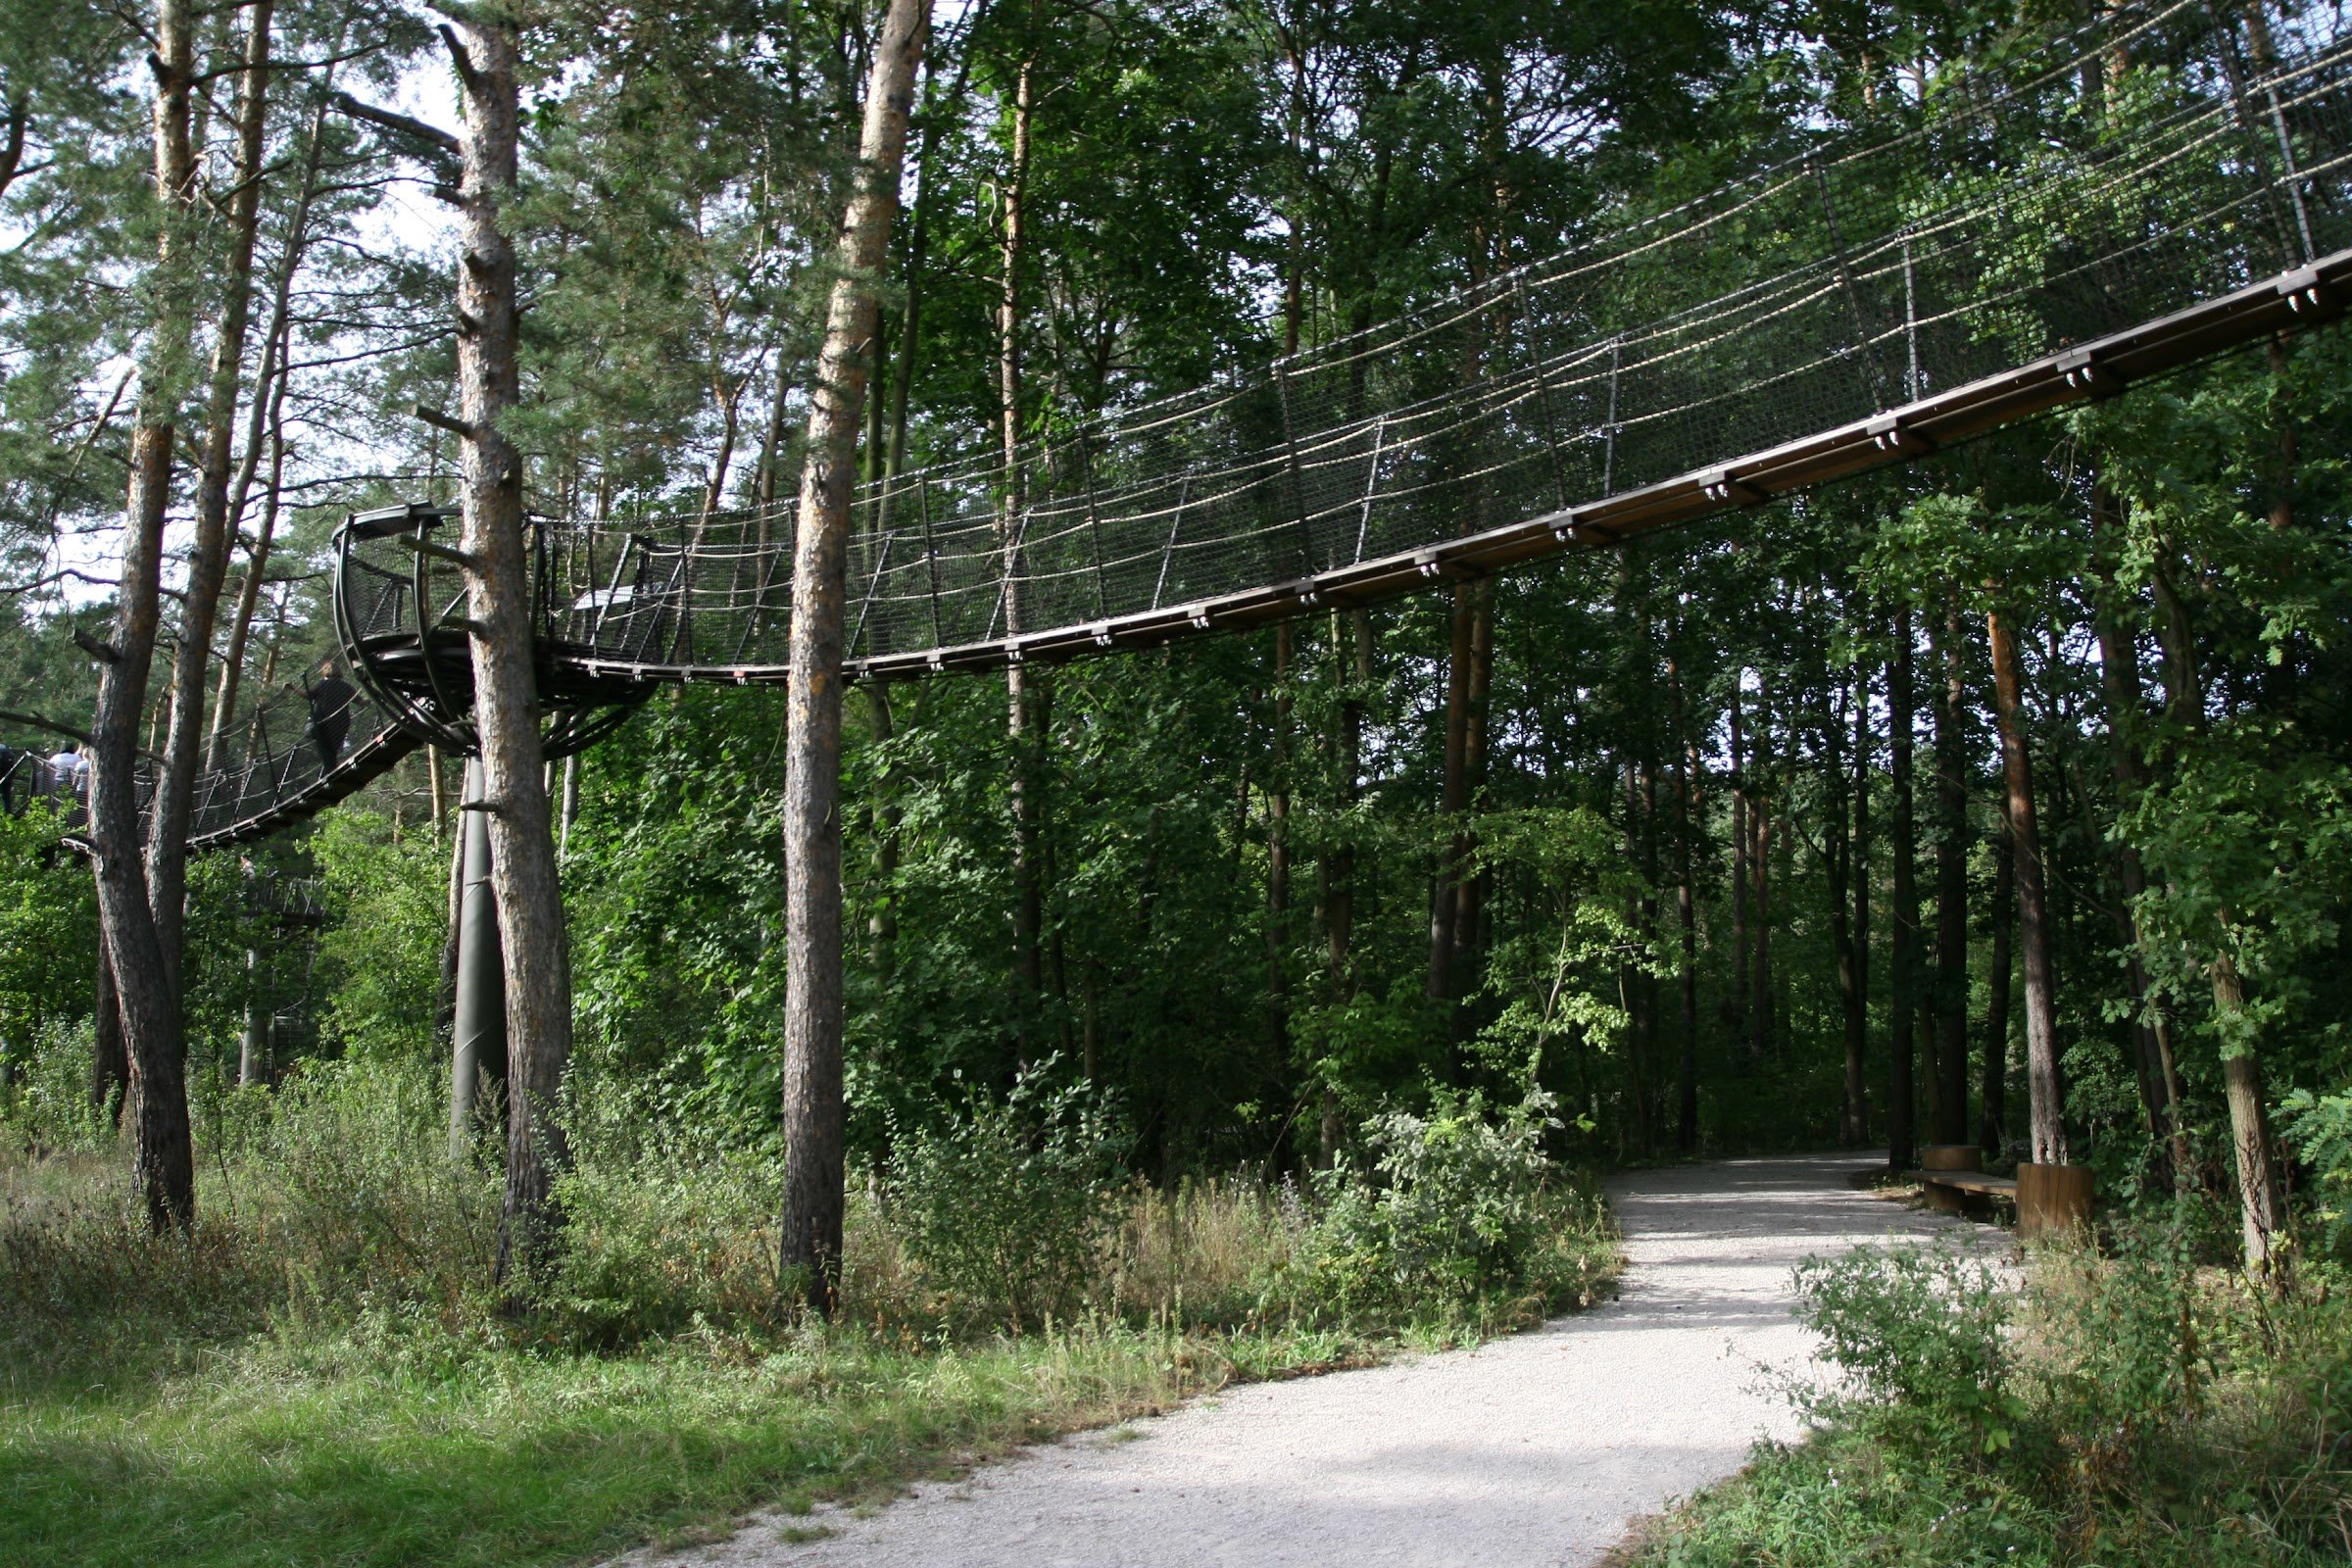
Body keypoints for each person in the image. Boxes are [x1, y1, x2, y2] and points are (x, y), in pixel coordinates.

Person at [303, 659, 355, 770]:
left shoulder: (323, 684)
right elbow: (360, 701)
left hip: (324, 722)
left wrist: (293, 689)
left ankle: (330, 773)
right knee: (332, 750)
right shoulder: (346, 686)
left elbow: (310, 695)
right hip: (341, 722)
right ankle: (331, 772)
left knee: (326, 750)